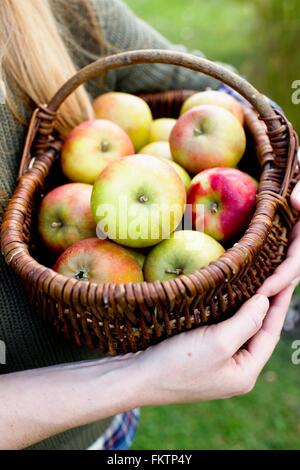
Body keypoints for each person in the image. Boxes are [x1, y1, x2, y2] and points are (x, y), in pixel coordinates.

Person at [0, 0, 299, 451]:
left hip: (110, 425)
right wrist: (140, 379)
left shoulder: (51, 8)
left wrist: (297, 180)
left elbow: (213, 88)